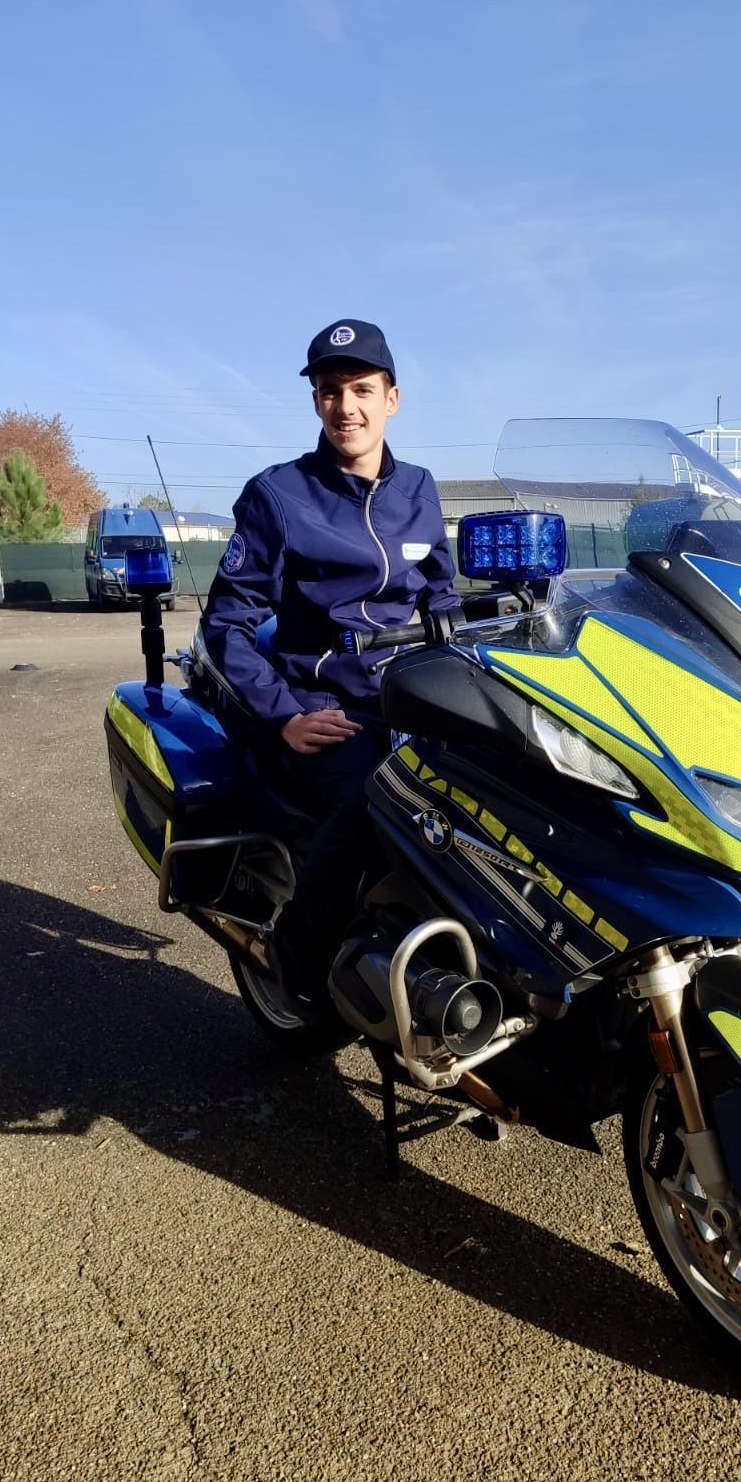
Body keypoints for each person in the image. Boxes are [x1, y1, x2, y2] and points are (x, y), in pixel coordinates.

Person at [199, 318, 460, 1012]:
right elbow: (225, 623)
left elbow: (444, 599)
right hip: (326, 703)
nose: (346, 406)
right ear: (316, 401)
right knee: (376, 801)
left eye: (362, 390)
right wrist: (285, 716)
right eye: (330, 390)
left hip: (417, 696)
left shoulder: (421, 490)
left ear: (392, 398)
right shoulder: (278, 495)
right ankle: (298, 957)